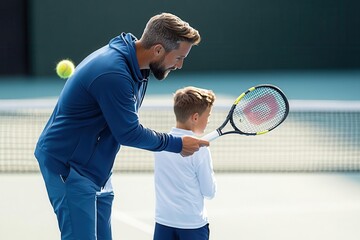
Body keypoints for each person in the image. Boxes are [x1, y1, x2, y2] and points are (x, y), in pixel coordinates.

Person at [34, 13, 209, 240]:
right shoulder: (113, 73)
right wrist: (177, 144)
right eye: (178, 58)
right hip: (69, 167)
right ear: (157, 50)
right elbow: (128, 132)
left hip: (97, 169)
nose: (180, 65)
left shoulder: (139, 67)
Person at [153, 86, 217, 240]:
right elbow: (209, 192)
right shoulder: (200, 150)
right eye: (208, 116)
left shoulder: (160, 144)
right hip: (193, 225)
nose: (209, 120)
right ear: (195, 118)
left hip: (163, 223)